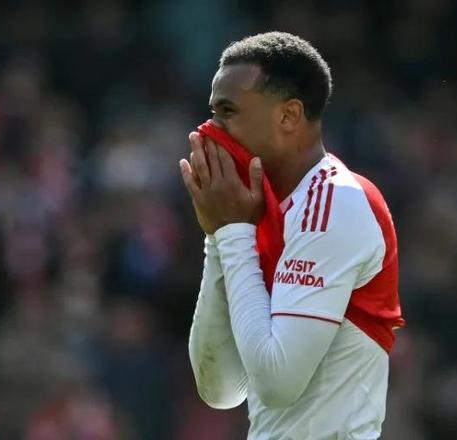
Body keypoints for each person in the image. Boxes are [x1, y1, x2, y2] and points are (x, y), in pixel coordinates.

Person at [180, 32, 405, 439]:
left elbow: (276, 384)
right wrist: (218, 237)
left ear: (288, 116)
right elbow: (221, 389)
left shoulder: (334, 201)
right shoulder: (259, 211)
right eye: (213, 112)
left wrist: (232, 232)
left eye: (228, 111)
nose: (211, 129)